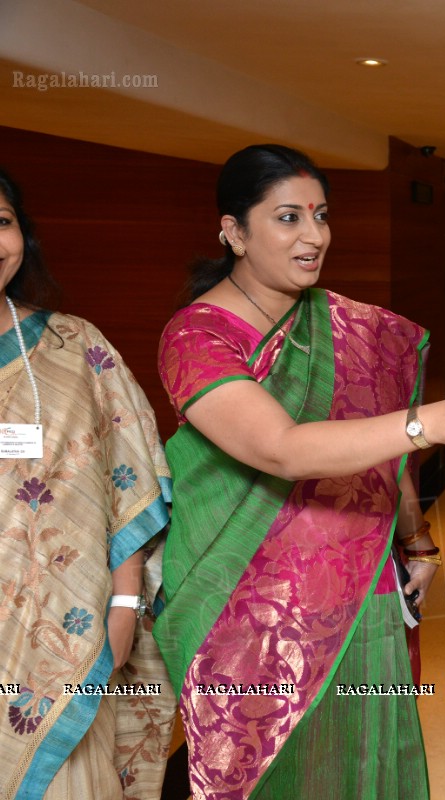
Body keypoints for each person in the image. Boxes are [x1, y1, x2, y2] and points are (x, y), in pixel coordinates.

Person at [153, 144, 445, 800]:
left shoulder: (355, 327)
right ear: (233, 231)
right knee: (260, 773)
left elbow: (378, 456)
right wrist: (430, 422)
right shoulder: (197, 337)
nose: (314, 236)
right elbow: (282, 449)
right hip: (246, 614)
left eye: (321, 215)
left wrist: (415, 539)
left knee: (357, 770)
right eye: (288, 218)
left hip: (360, 594)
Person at [0, 168, 175, 799]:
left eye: (2, 221)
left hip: (65, 635)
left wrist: (125, 603)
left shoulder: (76, 347)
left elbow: (125, 486)